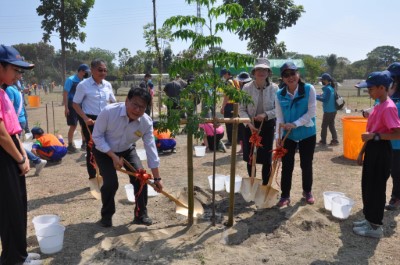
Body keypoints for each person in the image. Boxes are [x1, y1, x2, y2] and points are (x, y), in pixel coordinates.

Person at [92, 87, 162, 227]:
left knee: (141, 179)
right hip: (104, 150)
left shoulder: (146, 123)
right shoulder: (109, 112)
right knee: (111, 183)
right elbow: (97, 137)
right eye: (134, 104)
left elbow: (151, 150)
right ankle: (106, 215)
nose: (137, 110)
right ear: (126, 101)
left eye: (141, 107)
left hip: (127, 150)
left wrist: (157, 178)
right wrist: (112, 155)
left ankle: (141, 214)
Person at [0, 45, 43, 265]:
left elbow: (12, 128)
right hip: (3, 157)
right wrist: (18, 157)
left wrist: (24, 157)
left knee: (17, 206)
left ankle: (18, 254)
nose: (19, 76)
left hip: (12, 154)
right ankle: (13, 260)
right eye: (15, 70)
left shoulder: (4, 91)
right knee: (9, 210)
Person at [353, 71, 400, 238]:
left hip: (381, 150)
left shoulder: (388, 107)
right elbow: (371, 131)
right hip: (372, 148)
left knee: (377, 188)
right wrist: (361, 153)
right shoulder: (378, 105)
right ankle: (369, 219)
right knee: (368, 186)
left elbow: (397, 133)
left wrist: (376, 136)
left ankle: (376, 226)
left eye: (370, 89)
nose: (369, 92)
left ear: (382, 88)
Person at [275, 61, 317, 207]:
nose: (290, 77)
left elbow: (311, 112)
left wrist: (295, 124)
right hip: (288, 135)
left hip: (307, 133)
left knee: (306, 164)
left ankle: (307, 191)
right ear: (283, 78)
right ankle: (285, 195)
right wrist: (278, 137)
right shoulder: (279, 94)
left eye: (293, 73)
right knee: (287, 165)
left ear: (298, 74)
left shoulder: (309, 89)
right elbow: (279, 117)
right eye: (286, 75)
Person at [73, 59, 117, 192]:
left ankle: (105, 175)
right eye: (100, 70)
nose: (103, 73)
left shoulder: (108, 85)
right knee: (92, 149)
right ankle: (93, 177)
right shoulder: (83, 85)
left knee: (106, 147)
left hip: (105, 119)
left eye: (105, 70)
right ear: (91, 70)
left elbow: (113, 102)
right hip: (90, 121)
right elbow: (75, 104)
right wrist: (85, 118)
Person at [239, 59, 277, 185]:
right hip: (250, 125)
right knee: (251, 157)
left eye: (264, 70)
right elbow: (241, 109)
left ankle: (265, 185)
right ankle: (252, 183)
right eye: (258, 69)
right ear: (254, 72)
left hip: (267, 126)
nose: (261, 72)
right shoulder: (246, 87)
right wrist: (248, 124)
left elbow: (278, 109)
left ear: (268, 72)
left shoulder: (275, 88)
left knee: (267, 157)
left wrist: (266, 115)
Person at [5, 82, 47, 175]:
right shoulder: (16, 89)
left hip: (15, 120)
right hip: (21, 119)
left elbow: (9, 108)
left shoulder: (9, 90)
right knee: (17, 144)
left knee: (15, 145)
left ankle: (36, 160)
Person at [63, 64, 90, 153]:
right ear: (81, 71)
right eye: (86, 72)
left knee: (84, 125)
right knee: (73, 126)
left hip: (82, 106)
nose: (87, 74)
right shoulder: (70, 80)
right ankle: (70, 145)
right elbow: (65, 94)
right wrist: (66, 107)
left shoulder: (85, 81)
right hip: (71, 106)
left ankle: (84, 143)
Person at [385, 62, 400, 210]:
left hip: (398, 142)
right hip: (386, 139)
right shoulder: (390, 92)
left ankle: (396, 197)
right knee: (387, 170)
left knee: (397, 171)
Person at [316, 73, 339, 145]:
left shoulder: (328, 89)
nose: (321, 81)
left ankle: (323, 140)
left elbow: (325, 99)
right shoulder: (331, 88)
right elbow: (324, 96)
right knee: (331, 125)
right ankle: (335, 140)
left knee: (324, 126)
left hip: (328, 111)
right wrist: (316, 95)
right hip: (333, 110)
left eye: (322, 80)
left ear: (325, 80)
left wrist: (315, 97)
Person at [220, 68, 240, 146]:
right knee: (235, 122)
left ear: (227, 74)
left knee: (228, 123)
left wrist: (223, 106)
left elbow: (226, 96)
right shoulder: (236, 81)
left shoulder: (228, 82)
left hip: (229, 105)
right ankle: (237, 139)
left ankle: (230, 140)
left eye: (224, 75)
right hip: (236, 104)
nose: (223, 77)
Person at [236, 72, 252, 154]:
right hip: (244, 113)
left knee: (243, 133)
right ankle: (243, 148)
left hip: (244, 114)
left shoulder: (245, 88)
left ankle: (244, 149)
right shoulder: (246, 87)